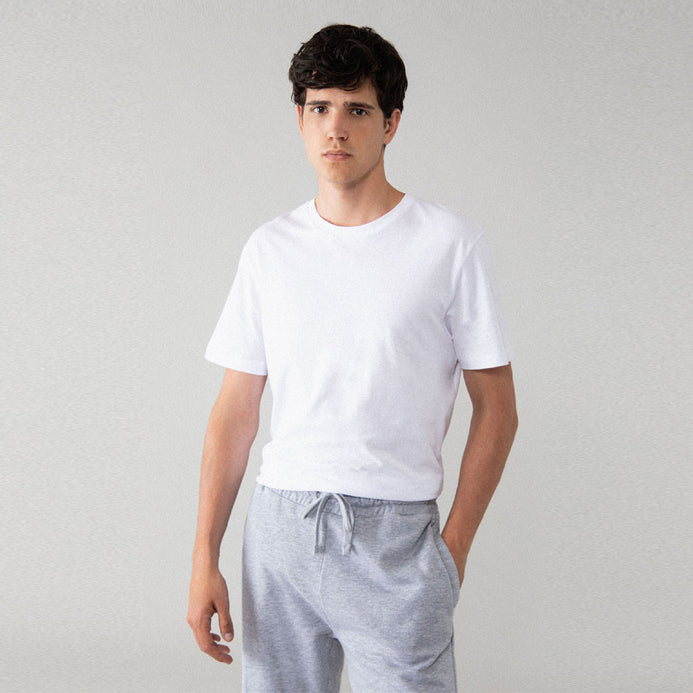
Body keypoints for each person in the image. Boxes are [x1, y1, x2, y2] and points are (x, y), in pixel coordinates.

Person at [187, 24, 518, 693]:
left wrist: (450, 554)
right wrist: (204, 555)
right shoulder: (270, 248)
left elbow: (498, 410)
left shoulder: (447, 243)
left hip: (397, 542)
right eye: (319, 107)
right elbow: (235, 410)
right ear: (300, 118)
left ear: (390, 123)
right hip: (280, 537)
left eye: (357, 109)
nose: (335, 128)